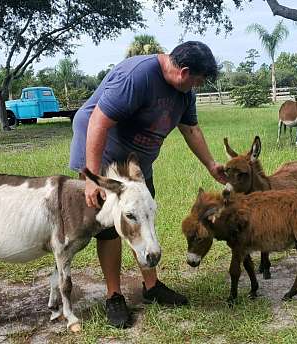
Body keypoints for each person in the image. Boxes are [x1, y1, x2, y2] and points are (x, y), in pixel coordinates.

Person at [69, 41, 226, 328]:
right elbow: (97, 122)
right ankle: (114, 295)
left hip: (135, 163)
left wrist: (211, 165)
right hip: (103, 153)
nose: (198, 87)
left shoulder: (184, 93)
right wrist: (92, 178)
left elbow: (191, 129)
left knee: (142, 216)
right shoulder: (138, 76)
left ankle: (151, 287)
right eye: (199, 81)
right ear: (185, 72)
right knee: (110, 228)